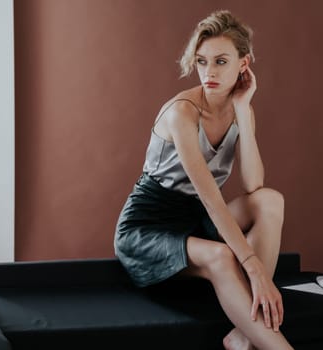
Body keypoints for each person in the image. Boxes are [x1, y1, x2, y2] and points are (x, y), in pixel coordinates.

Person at [114, 9, 293, 350]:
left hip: (194, 218)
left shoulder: (242, 109)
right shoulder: (182, 113)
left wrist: (243, 109)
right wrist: (253, 268)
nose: (208, 72)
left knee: (271, 200)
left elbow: (254, 184)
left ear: (244, 63)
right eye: (202, 61)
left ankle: (244, 333)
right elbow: (212, 199)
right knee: (221, 257)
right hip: (149, 226)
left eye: (221, 62)